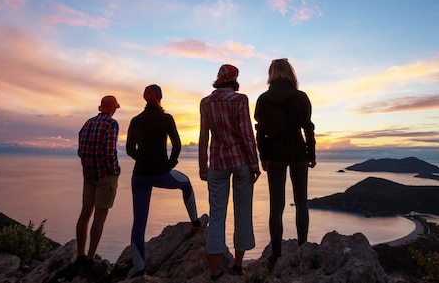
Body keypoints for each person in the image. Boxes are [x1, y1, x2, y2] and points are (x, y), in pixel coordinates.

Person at [126, 84, 201, 276]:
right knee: (185, 184)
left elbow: (129, 150)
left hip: (139, 176)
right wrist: (169, 164)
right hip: (161, 173)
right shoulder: (165, 118)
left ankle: (140, 269)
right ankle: (196, 223)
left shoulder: (136, 120)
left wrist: (143, 160)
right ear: (160, 98)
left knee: (139, 223)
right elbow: (177, 145)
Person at [199, 64, 261, 280]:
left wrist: (202, 164)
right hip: (240, 161)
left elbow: (204, 136)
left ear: (219, 80)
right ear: (234, 80)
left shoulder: (206, 103)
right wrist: (254, 164)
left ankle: (215, 272)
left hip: (217, 162)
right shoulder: (240, 100)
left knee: (217, 215)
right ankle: (237, 266)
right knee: (243, 214)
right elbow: (246, 135)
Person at [254, 58, 316, 266]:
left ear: (271, 74)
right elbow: (307, 127)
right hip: (298, 152)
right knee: (301, 202)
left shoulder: (264, 99)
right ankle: (302, 248)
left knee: (276, 206)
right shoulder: (300, 97)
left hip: (274, 155)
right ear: (291, 72)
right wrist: (311, 153)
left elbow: (260, 132)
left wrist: (262, 155)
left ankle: (276, 254)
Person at [76, 95, 121, 274]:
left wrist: (88, 167)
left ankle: (79, 255)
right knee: (100, 217)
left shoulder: (88, 123)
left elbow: (81, 150)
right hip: (105, 176)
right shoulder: (111, 124)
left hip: (89, 175)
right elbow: (109, 152)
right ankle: (89, 258)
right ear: (113, 109)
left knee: (84, 215)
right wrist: (115, 170)